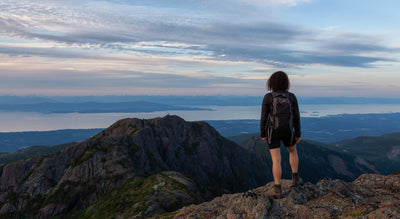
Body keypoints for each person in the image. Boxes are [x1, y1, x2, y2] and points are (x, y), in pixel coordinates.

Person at [260, 71, 302, 198]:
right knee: (292, 151)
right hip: (288, 130)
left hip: (273, 131)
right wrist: (298, 133)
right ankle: (295, 179)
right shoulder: (291, 97)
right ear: (286, 82)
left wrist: (263, 133)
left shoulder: (268, 97)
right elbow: (296, 117)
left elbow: (263, 118)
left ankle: (278, 189)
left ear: (271, 83)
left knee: (276, 159)